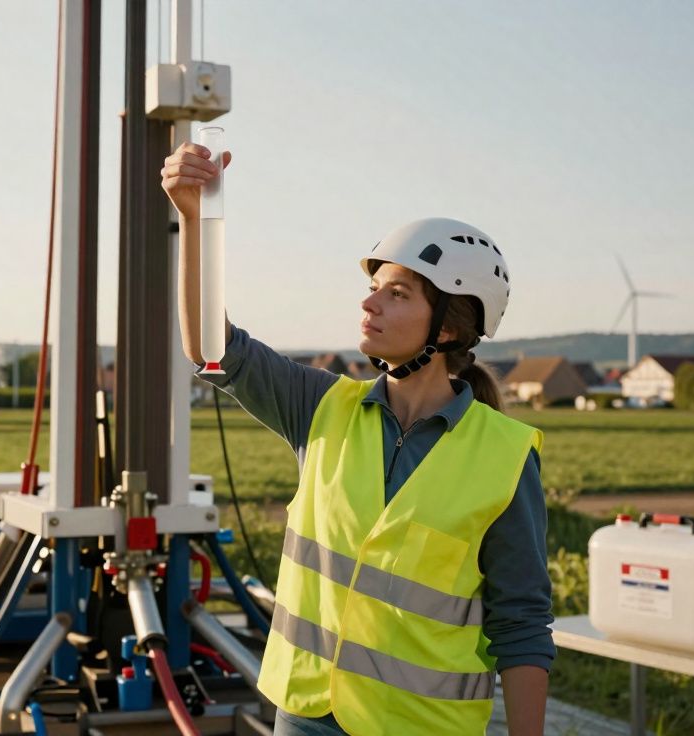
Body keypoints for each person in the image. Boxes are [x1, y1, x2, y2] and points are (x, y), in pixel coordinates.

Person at [161, 142, 554, 736]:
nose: (369, 302)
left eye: (397, 293)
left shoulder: (504, 456)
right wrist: (194, 218)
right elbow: (211, 348)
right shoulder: (322, 407)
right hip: (306, 714)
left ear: (448, 325)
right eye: (374, 288)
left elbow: (522, 622)